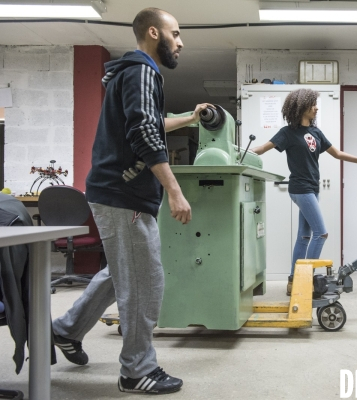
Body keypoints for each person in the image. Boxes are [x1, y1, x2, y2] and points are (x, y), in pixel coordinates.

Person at [51, 8, 212, 394]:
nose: (181, 41)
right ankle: (136, 370)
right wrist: (175, 190)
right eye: (176, 33)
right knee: (144, 280)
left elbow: (149, 122)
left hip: (117, 192)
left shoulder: (134, 73)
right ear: (154, 33)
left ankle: (65, 329)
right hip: (124, 194)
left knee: (121, 273)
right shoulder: (142, 71)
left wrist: (188, 118)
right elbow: (144, 132)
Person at [251, 88, 357, 295]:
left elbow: (337, 153)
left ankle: (294, 281)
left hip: (313, 189)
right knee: (321, 233)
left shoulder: (316, 132)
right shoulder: (287, 133)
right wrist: (239, 151)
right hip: (300, 189)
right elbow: (262, 148)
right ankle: (306, 280)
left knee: (304, 237)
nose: (316, 107)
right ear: (301, 106)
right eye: (313, 104)